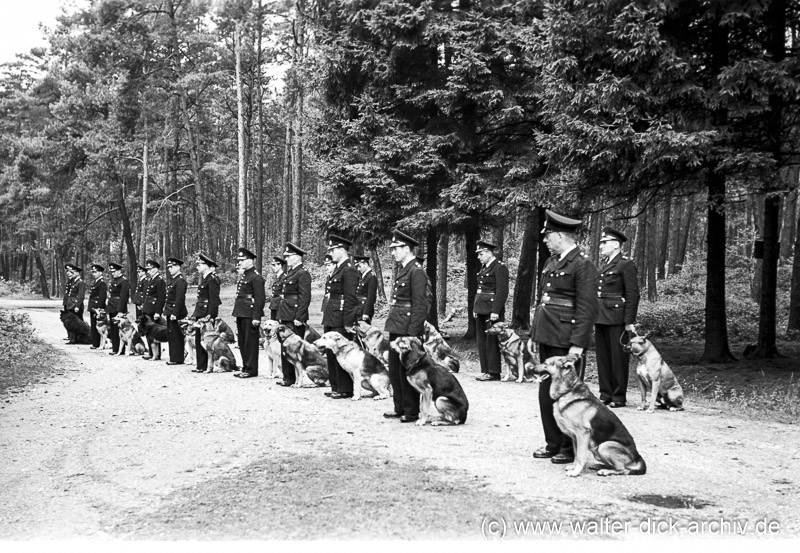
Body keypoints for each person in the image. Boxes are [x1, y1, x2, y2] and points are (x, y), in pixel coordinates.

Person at [530, 210, 599, 465]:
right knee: (545, 392)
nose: (546, 240)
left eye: (548, 236)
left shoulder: (583, 265)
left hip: (566, 339)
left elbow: (587, 308)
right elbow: (543, 301)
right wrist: (533, 334)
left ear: (560, 235)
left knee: (568, 396)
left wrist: (577, 346)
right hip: (547, 334)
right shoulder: (552, 262)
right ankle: (553, 443)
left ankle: (569, 449)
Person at [384, 230, 430, 423]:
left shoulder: (416, 271)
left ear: (406, 248)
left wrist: (413, 333)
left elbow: (421, 304)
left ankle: (411, 411)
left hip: (407, 328)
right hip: (397, 324)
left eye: (396, 249)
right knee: (395, 369)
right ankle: (399, 406)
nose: (393, 252)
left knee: (407, 370)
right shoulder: (405, 268)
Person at [595, 227, 640, 408]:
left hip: (617, 317)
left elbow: (632, 294)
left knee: (618, 358)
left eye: (604, 243)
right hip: (601, 316)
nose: (601, 246)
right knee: (603, 358)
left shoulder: (625, 264)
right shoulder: (605, 264)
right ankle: (605, 393)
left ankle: (618, 396)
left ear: (615, 245)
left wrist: (629, 321)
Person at [321, 235, 359, 399]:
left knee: (342, 352)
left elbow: (351, 298)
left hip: (341, 316)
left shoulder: (349, 269)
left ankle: (345, 388)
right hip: (332, 314)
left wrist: (348, 321)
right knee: (331, 351)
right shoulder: (338, 268)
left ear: (342, 250)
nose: (331, 253)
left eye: (333, 250)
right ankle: (336, 385)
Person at [275, 242, 312, 387]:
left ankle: (298, 378)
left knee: (295, 348)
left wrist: (300, 317)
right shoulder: (290, 273)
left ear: (297, 257)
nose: (287, 259)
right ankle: (287, 377)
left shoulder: (302, 273)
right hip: (285, 313)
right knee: (285, 347)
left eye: (289, 256)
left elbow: (305, 297)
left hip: (294, 315)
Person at [473, 240, 509, 381]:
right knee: (482, 340)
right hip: (482, 307)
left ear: (489, 253)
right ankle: (485, 370)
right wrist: (476, 307)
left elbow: (502, 291)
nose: (479, 257)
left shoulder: (499, 268)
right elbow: (480, 290)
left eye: (481, 254)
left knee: (492, 340)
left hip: (492, 310)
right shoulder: (484, 267)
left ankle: (494, 371)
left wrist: (496, 311)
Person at [232, 247, 266, 378]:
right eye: (239, 260)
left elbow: (260, 298)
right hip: (241, 312)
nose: (240, 262)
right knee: (242, 341)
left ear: (250, 261)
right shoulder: (245, 276)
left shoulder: (256, 277)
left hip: (250, 313)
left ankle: (251, 369)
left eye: (242, 260)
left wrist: (256, 316)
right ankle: (245, 366)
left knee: (250, 342)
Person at [189, 253, 221, 374]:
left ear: (207, 266)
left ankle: (205, 365)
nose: (197, 267)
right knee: (199, 339)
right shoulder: (205, 278)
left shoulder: (212, 279)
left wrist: (211, 315)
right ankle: (200, 364)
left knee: (205, 339)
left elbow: (214, 299)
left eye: (200, 264)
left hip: (206, 313)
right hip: (201, 311)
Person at [164, 257, 188, 366]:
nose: (170, 269)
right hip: (170, 311)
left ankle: (178, 358)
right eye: (168, 267)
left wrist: (175, 313)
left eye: (172, 267)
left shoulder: (180, 280)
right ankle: (174, 356)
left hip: (176, 312)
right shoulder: (173, 280)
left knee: (177, 336)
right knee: (172, 335)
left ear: (178, 267)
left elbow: (179, 298)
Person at [141, 259, 166, 360]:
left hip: (154, 310)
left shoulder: (159, 281)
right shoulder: (150, 280)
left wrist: (158, 312)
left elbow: (161, 298)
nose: (148, 271)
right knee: (148, 332)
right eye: (148, 269)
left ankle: (156, 354)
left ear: (156, 269)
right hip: (148, 309)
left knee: (155, 332)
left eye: (151, 269)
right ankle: (151, 352)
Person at [106, 262, 130, 354]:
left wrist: (120, 310)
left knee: (119, 329)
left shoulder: (123, 281)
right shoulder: (113, 281)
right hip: (112, 306)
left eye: (114, 271)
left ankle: (121, 349)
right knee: (113, 328)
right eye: (112, 272)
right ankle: (115, 348)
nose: (113, 273)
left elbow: (124, 297)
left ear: (119, 271)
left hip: (119, 307)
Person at [62, 264, 86, 343]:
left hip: (75, 305)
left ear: (78, 273)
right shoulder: (73, 281)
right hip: (71, 304)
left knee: (79, 323)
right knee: (73, 323)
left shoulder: (80, 282)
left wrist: (77, 306)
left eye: (74, 272)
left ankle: (80, 338)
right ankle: (73, 338)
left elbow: (80, 295)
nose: (72, 273)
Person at [353, 253, 378, 324]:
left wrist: (366, 312)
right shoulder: (363, 276)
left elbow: (371, 297)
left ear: (365, 264)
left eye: (359, 266)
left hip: (364, 309)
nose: (358, 269)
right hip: (358, 308)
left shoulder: (371, 277)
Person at [87, 264, 108, 349]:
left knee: (99, 325)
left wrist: (99, 308)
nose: (94, 274)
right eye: (93, 272)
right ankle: (95, 342)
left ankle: (98, 343)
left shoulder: (102, 283)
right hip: (93, 306)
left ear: (100, 272)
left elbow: (102, 296)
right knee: (93, 325)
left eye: (95, 272)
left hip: (97, 307)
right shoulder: (96, 282)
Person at [268, 254, 287, 320]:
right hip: (274, 304)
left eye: (274, 265)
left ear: (280, 266)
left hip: (280, 305)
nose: (273, 267)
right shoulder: (277, 277)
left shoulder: (284, 277)